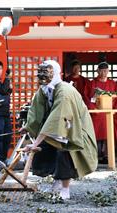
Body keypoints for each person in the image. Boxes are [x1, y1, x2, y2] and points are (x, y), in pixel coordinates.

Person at [22, 60, 97, 200]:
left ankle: (65, 188)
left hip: (75, 130)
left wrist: (36, 143)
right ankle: (56, 180)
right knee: (46, 148)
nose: (43, 76)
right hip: (59, 126)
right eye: (41, 73)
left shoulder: (64, 91)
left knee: (64, 151)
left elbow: (56, 118)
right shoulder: (44, 89)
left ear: (56, 74)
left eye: (47, 73)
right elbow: (36, 111)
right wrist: (27, 126)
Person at [84, 62, 117, 164]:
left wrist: (114, 109)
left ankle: (108, 156)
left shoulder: (113, 84)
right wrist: (92, 108)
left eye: (106, 71)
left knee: (109, 134)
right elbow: (86, 97)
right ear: (97, 71)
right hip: (96, 114)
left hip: (109, 113)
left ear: (108, 71)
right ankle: (96, 156)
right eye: (101, 70)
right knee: (95, 134)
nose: (104, 73)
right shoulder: (91, 83)